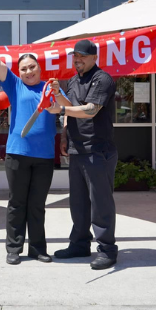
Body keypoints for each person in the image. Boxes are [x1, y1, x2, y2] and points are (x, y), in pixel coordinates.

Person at [0, 27, 61, 265]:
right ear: (19, 72)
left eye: (32, 67)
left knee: (38, 205)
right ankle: (14, 248)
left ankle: (38, 249)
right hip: (18, 154)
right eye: (24, 68)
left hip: (44, 156)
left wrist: (61, 102)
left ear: (39, 68)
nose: (29, 71)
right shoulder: (14, 85)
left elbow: (66, 108)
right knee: (17, 202)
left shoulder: (51, 88)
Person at [47, 39, 119, 270]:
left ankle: (107, 249)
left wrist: (62, 108)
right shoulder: (74, 80)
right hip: (78, 149)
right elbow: (69, 107)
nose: (77, 60)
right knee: (78, 204)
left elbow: (90, 110)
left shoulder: (102, 79)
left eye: (82, 56)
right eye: (75, 56)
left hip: (98, 150)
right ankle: (79, 244)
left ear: (94, 57)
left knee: (101, 204)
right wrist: (65, 134)